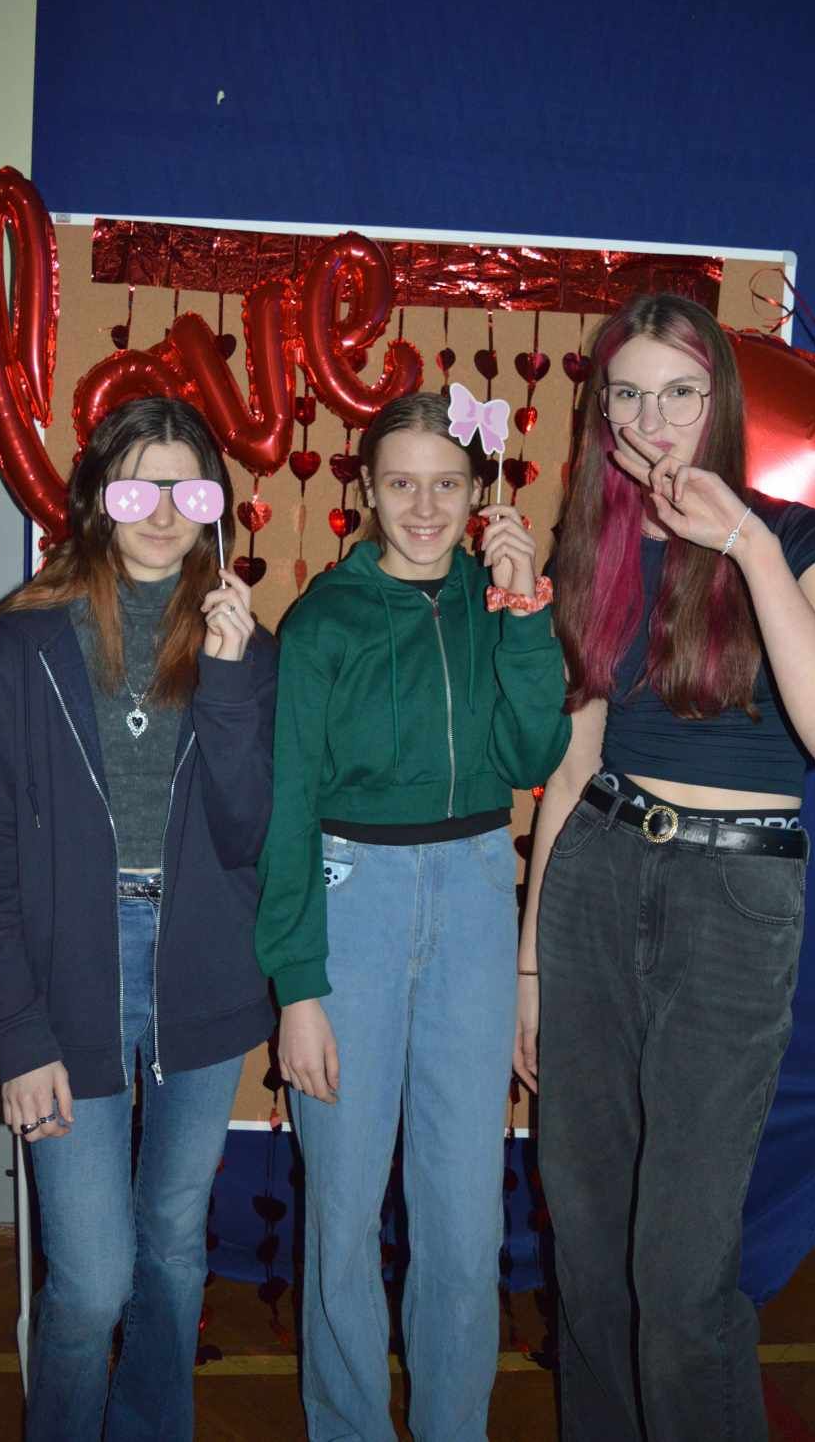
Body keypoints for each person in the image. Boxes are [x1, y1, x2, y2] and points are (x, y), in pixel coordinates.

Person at [513, 295, 815, 1442]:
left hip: (733, 898)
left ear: (721, 401)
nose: (652, 419)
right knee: (586, 1245)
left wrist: (745, 544)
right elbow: (571, 768)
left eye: (679, 391)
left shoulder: (800, 538)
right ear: (602, 412)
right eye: (627, 394)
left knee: (678, 1275)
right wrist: (529, 969)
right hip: (596, 877)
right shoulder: (595, 545)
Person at [0, 396, 277, 1441]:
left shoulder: (245, 647)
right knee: (92, 1278)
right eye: (140, 488)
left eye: (189, 490)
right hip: (69, 970)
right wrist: (15, 1031)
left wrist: (230, 681)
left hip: (202, 967)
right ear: (98, 496)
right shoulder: (19, 646)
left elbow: (250, 832)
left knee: (174, 1248)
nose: (164, 513)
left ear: (216, 503)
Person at [255, 391, 571, 1442]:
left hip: (476, 898)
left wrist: (524, 615)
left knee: (463, 1214)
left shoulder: (496, 602)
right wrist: (297, 987)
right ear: (366, 488)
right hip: (354, 901)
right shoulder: (323, 622)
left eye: (446, 484)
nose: (425, 507)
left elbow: (530, 755)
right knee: (343, 1210)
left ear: (480, 493)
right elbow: (287, 809)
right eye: (402, 482)